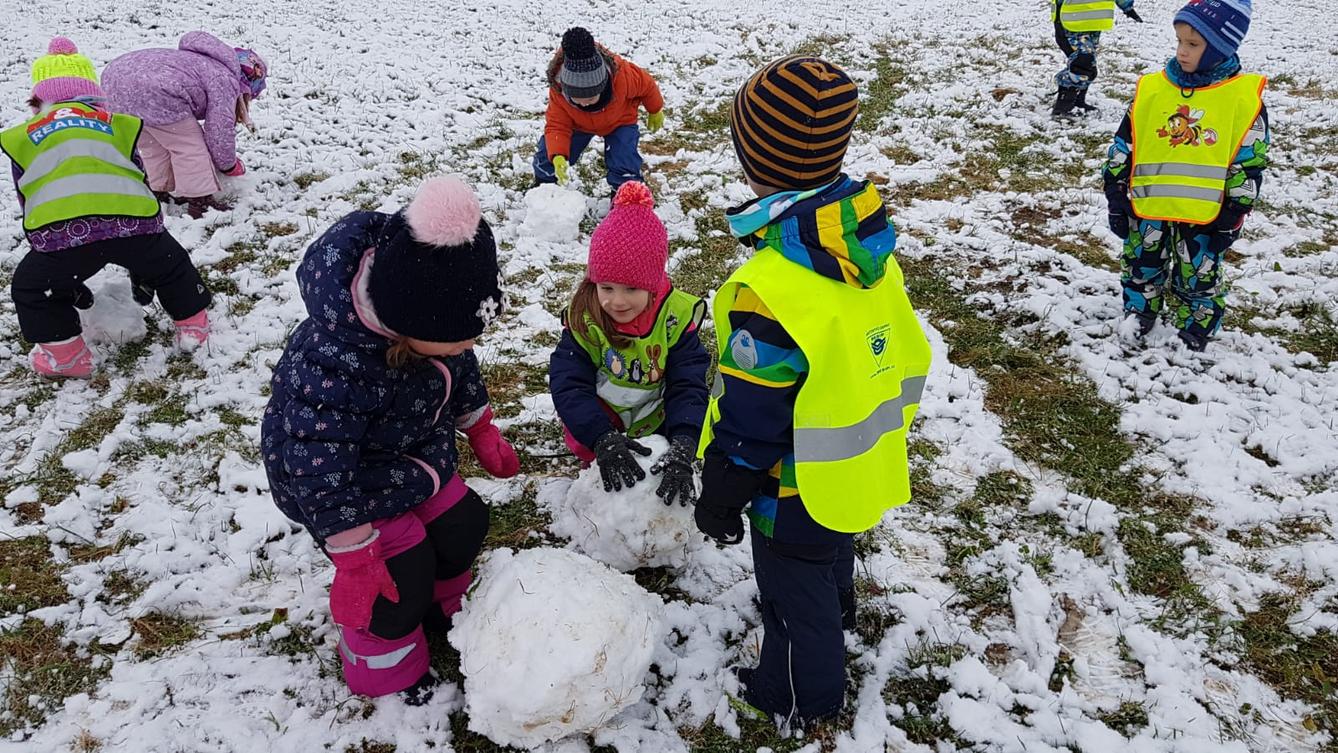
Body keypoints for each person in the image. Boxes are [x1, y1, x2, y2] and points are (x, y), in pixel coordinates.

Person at [694, 55, 932, 730]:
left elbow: (752, 413)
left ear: (753, 161)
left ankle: (798, 692)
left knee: (791, 593)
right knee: (830, 553)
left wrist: (723, 489)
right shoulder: (861, 246)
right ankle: (839, 610)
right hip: (855, 459)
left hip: (791, 486)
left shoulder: (773, 288)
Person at [260, 175, 520, 702]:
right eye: (458, 337)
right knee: (397, 579)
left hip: (409, 456)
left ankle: (446, 604)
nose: (469, 345)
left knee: (463, 522)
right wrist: (355, 555)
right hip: (344, 487)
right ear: (408, 323)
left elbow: (460, 371)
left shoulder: (434, 333)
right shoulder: (335, 366)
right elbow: (315, 464)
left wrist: (481, 427)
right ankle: (383, 663)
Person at [1, 38, 211, 379]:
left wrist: (52, 259)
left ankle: (68, 357)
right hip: (133, 225)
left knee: (31, 287)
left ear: (37, 100)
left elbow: (29, 195)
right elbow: (137, 174)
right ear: (95, 97)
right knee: (172, 267)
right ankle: (194, 327)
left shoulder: (26, 136)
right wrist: (149, 245)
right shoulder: (116, 125)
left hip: (64, 236)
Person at [1103, 0, 1267, 351]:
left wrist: (1235, 210)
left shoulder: (1241, 99)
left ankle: (1197, 323)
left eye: (1193, 45)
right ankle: (1140, 311)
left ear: (1221, 46)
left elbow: (1248, 161)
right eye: (1179, 41)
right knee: (1141, 263)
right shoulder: (1152, 89)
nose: (1182, 52)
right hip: (1148, 205)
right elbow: (1125, 141)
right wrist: (1115, 191)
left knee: (1198, 272)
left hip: (1206, 214)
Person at [549, 181, 708, 505]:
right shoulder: (586, 319)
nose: (616, 302)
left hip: (657, 416)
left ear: (652, 286)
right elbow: (568, 384)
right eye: (606, 287)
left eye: (631, 290)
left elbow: (688, 385)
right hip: (603, 418)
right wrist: (600, 436)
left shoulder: (674, 320)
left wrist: (684, 441)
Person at [102, 31, 267, 217]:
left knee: (153, 144)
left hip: (114, 82)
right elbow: (219, 131)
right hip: (155, 91)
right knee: (188, 146)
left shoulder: (200, 61)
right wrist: (228, 165)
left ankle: (159, 188)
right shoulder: (225, 79)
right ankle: (200, 200)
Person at [533, 27, 664, 195]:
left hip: (620, 121)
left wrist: (655, 109)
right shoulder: (559, 91)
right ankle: (544, 187)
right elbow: (556, 125)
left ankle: (625, 194)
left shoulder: (623, 77)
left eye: (589, 98)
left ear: (603, 86)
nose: (584, 104)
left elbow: (647, 85)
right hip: (578, 124)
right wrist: (557, 154)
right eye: (576, 99)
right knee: (547, 154)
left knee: (624, 159)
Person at [1051, 0, 1142, 117]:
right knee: (1083, 63)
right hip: (1070, 21)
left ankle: (1078, 100)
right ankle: (1063, 106)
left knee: (1088, 65)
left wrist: (1127, 7)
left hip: (1093, 22)